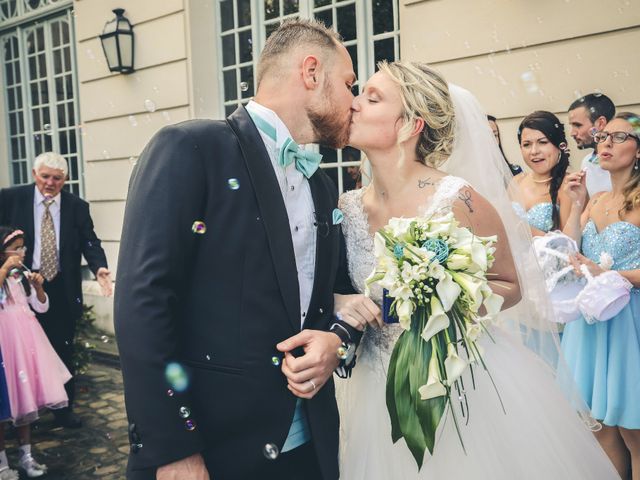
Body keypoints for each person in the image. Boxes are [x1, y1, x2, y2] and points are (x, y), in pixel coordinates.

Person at [332, 61, 618, 479]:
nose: (354, 104)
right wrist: (341, 301)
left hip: (456, 383)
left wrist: (439, 303)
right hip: (373, 386)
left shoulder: (458, 200)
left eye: (372, 98)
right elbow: (332, 288)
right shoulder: (347, 208)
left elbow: (509, 285)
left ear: (411, 125)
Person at [114, 19, 364, 480]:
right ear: (311, 72)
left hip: (311, 446)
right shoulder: (190, 148)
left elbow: (337, 295)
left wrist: (335, 341)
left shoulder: (322, 184)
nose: (356, 99)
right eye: (350, 83)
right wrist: (172, 451)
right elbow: (143, 304)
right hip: (214, 451)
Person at [0, 152, 111, 429]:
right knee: (23, 352)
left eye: (57, 178)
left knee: (62, 349)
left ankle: (63, 410)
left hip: (61, 286)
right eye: (45, 176)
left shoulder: (77, 206)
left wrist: (99, 268)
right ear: (35, 175)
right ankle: (26, 413)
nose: (50, 183)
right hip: (19, 284)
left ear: (66, 180)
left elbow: (90, 241)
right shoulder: (11, 198)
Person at [562, 112, 640, 479]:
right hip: (593, 323)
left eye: (619, 137)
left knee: (634, 432)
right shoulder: (598, 198)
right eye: (602, 137)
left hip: (629, 325)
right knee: (601, 429)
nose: (605, 143)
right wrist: (577, 204)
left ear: (638, 150)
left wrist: (608, 274)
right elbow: (569, 248)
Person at [0, 227, 72, 478]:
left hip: (28, 343)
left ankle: (26, 457)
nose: (22, 252)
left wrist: (39, 288)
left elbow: (41, 307)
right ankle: (2, 464)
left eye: (23, 248)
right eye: (16, 248)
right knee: (4, 404)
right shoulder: (4, 275)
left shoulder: (21, 277)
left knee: (26, 399)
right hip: (5, 345)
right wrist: (3, 269)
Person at [512, 111, 573, 235]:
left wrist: (521, 228)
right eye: (527, 144)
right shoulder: (517, 181)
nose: (534, 151)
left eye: (543, 142)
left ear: (559, 145)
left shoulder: (570, 186)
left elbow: (569, 244)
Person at [568, 93, 615, 197]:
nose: (572, 133)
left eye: (578, 125)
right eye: (572, 126)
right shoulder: (587, 162)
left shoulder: (626, 160)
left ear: (601, 123)